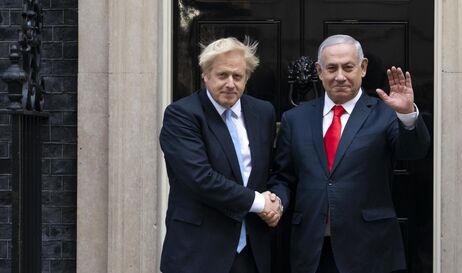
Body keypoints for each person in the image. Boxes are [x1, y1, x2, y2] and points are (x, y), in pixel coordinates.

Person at [268, 34, 431, 273]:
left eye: (348, 67)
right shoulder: (295, 119)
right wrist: (275, 201)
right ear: (319, 71)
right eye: (331, 68)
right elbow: (284, 175)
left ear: (362, 68)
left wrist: (407, 115)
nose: (340, 76)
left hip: (369, 247)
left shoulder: (383, 113)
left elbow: (414, 151)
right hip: (312, 248)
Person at [160, 37, 283, 273]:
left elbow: (273, 169)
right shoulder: (182, 115)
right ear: (205, 75)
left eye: (237, 76)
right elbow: (200, 178)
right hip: (198, 250)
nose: (230, 83)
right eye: (222, 75)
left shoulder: (262, 112)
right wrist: (260, 203)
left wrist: (277, 201)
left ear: (247, 78)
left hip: (253, 251)